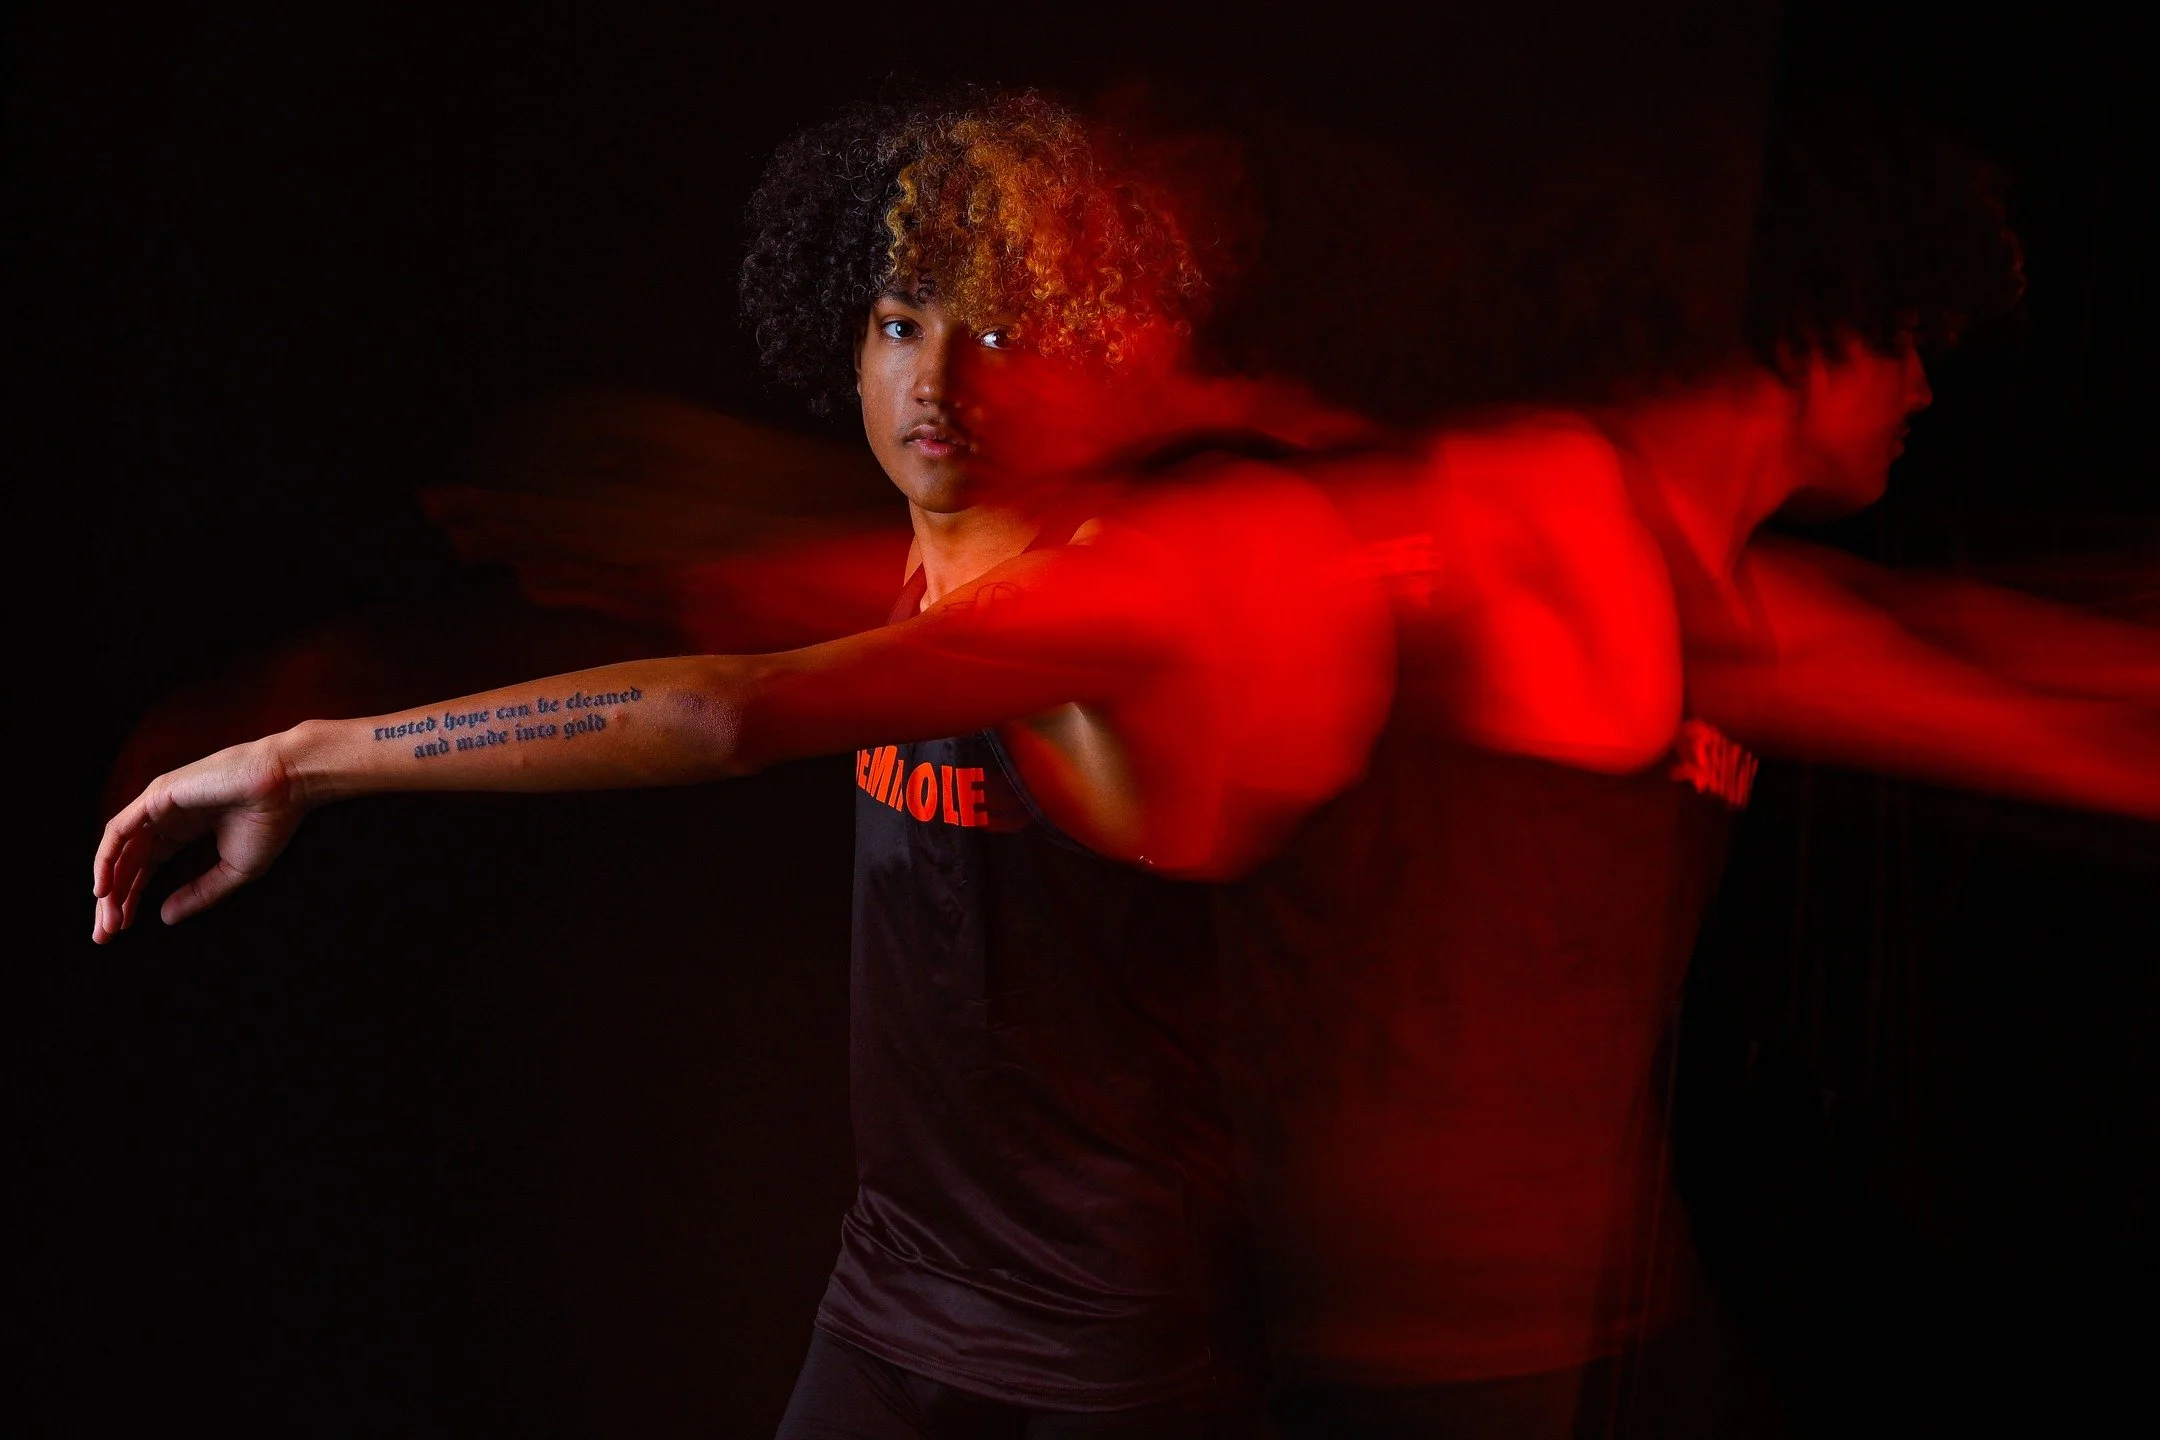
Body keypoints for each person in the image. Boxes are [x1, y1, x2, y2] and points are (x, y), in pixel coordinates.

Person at [91, 89, 1402, 1437]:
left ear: (1079, 356)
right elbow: (711, 615)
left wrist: (307, 759)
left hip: (1108, 1347)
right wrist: (341, 670)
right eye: (903, 323)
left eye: (998, 331)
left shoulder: (1102, 600)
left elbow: (721, 715)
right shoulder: (902, 555)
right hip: (896, 1290)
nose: (939, 380)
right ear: (849, 344)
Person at [1223, 101, 2157, 1440]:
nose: (1924, 390)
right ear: (1819, 318)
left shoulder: (1740, 595)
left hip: (1604, 1282)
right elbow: (1314, 548)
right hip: (1435, 1310)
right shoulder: (1533, 497)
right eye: (1913, 344)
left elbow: (2028, 711)